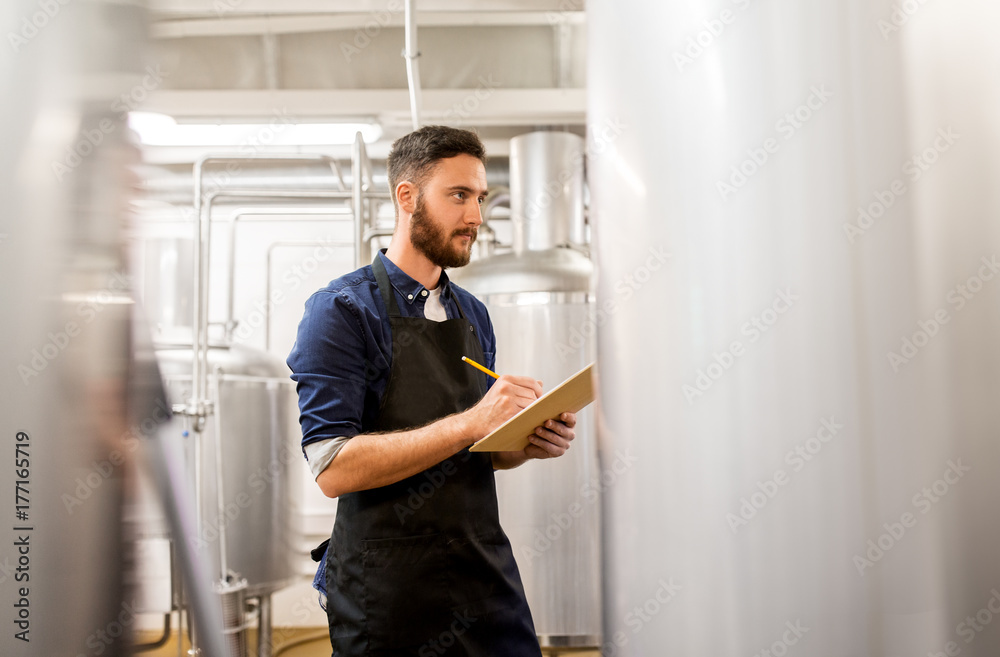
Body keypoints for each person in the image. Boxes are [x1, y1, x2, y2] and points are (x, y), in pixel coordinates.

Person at [286, 125, 577, 656]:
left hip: (481, 574)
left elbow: (473, 455)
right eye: (459, 196)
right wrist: (473, 422)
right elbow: (333, 467)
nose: (477, 216)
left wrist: (521, 443)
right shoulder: (343, 312)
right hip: (388, 590)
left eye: (481, 198)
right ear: (407, 196)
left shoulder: (474, 313)